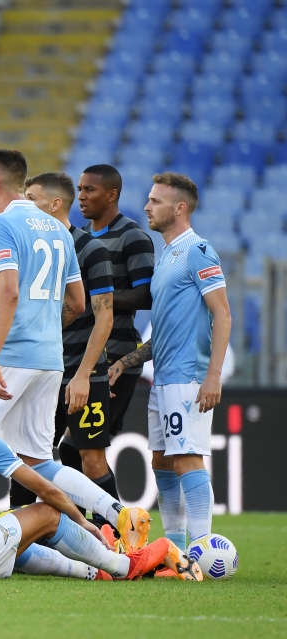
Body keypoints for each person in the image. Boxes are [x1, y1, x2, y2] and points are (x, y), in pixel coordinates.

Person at [0, 149, 151, 552]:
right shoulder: (56, 230)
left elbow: (10, 291)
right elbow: (78, 301)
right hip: (50, 361)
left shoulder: (0, 224)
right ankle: (117, 512)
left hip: (12, 354)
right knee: (37, 459)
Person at [0, 361, 201, 581]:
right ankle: (122, 566)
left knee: (11, 530)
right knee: (46, 514)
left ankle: (92, 571)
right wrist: (84, 523)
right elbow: (47, 490)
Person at [108, 172, 231, 553]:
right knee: (162, 459)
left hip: (187, 376)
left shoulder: (198, 250)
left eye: (155, 201)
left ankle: (202, 548)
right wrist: (127, 360)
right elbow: (163, 331)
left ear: (180, 208)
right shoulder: (166, 257)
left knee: (187, 459)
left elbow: (223, 315)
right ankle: (175, 548)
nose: (146, 206)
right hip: (162, 377)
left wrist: (213, 377)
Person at [15, 173, 118, 535]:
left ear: (55, 203)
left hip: (81, 372)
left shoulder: (92, 249)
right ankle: (27, 538)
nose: (24, 205)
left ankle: (115, 538)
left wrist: (83, 375)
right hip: (40, 370)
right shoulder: (29, 243)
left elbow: (104, 317)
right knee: (25, 457)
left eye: (31, 198)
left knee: (91, 458)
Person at [77, 165, 155, 515]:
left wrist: (98, 297)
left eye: (90, 190)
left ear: (111, 195)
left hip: (115, 357)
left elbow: (145, 296)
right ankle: (92, 527)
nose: (81, 196)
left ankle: (116, 529)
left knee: (88, 450)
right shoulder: (78, 237)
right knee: (72, 447)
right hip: (81, 356)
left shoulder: (132, 236)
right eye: (79, 189)